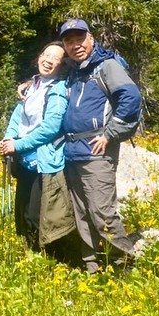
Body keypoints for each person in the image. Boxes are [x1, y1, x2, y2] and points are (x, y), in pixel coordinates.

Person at [58, 18, 142, 273]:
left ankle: (124, 264)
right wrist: (29, 85)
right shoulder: (75, 71)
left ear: (91, 39)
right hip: (73, 152)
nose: (75, 45)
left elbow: (131, 98)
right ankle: (92, 266)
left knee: (102, 212)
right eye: (69, 41)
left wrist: (110, 133)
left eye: (80, 39)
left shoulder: (105, 66)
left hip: (96, 151)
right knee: (82, 214)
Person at [0, 42, 74, 251]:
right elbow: (18, 115)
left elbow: (50, 128)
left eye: (55, 59)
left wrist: (18, 145)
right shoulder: (34, 85)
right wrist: (8, 139)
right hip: (26, 161)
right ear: (39, 56)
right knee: (23, 213)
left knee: (38, 215)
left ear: (62, 66)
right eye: (45, 54)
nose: (48, 60)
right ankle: (32, 256)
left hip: (44, 162)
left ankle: (49, 260)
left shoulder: (58, 90)